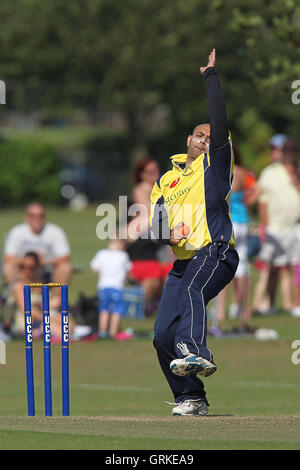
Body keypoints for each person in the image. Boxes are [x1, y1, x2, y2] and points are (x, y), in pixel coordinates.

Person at [150, 49, 239, 416]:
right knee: (160, 337)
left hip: (217, 252)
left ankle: (197, 351)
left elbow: (218, 121)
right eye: (199, 136)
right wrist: (166, 234)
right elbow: (156, 224)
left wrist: (211, 77)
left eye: (209, 136)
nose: (205, 139)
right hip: (185, 261)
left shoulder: (214, 167)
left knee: (192, 291)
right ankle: (192, 397)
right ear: (188, 139)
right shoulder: (166, 179)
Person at [253, 142, 300, 317]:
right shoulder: (269, 172)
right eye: (284, 150)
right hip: (275, 227)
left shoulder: (297, 171)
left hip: (295, 226)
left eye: (290, 150)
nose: (287, 154)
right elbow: (262, 200)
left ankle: (296, 305)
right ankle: (271, 304)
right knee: (272, 268)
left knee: (296, 268)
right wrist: (265, 226)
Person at [215, 147, 260, 325]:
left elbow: (225, 193)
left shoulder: (226, 171)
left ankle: (220, 312)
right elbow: (258, 189)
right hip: (243, 222)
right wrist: (247, 201)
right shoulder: (244, 172)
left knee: (222, 264)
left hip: (229, 222)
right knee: (243, 268)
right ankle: (245, 310)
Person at [3, 202, 72, 310]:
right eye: (33, 215)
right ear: (26, 217)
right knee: (8, 267)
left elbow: (66, 257)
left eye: (41, 215)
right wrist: (29, 262)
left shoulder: (55, 231)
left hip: (47, 272)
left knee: (65, 267)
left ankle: (55, 302)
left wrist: (45, 262)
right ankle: (22, 299)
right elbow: (8, 258)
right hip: (24, 273)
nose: (37, 218)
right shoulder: (17, 232)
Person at [127, 158, 173, 315]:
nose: (155, 174)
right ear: (141, 174)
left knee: (171, 269)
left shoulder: (160, 188)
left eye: (156, 170)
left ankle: (166, 306)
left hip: (159, 239)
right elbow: (150, 213)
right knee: (164, 270)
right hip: (145, 243)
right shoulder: (141, 190)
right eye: (150, 171)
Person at [9, 251, 65, 339]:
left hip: (43, 317)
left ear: (37, 267)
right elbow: (26, 310)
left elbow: (49, 304)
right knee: (55, 327)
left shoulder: (41, 283)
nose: (27, 270)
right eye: (23, 267)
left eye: (31, 267)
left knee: (68, 322)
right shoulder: (18, 285)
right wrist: (50, 319)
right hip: (26, 321)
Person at [90, 238, 132, 339]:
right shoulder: (123, 255)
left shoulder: (102, 253)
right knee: (117, 310)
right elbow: (128, 270)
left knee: (104, 309)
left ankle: (103, 331)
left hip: (103, 286)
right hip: (117, 287)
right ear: (122, 245)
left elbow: (94, 268)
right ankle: (113, 332)